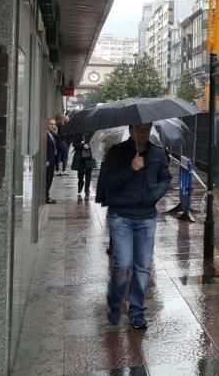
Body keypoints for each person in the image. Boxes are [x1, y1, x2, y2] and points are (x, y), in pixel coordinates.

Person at [97, 122, 172, 330]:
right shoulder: (117, 153)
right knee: (123, 264)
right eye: (140, 129)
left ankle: (137, 311)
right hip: (122, 216)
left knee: (142, 267)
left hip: (147, 217)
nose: (144, 133)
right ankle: (114, 301)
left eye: (147, 129)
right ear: (131, 130)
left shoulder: (157, 153)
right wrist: (131, 168)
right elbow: (108, 183)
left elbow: (166, 178)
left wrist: (154, 195)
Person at [71, 132, 96, 201]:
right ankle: (80, 185)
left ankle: (87, 191)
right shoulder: (77, 134)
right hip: (80, 159)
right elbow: (74, 145)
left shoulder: (92, 133)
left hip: (89, 157)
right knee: (80, 175)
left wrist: (91, 146)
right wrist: (83, 145)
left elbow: (96, 143)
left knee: (88, 175)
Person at [44, 119, 59, 204]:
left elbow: (58, 146)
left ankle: (47, 196)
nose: (53, 126)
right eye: (51, 124)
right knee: (48, 179)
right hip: (48, 161)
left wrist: (56, 134)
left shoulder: (51, 134)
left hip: (52, 160)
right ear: (46, 124)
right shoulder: (45, 134)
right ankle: (46, 197)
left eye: (54, 124)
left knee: (50, 179)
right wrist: (46, 159)